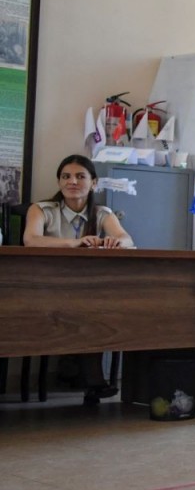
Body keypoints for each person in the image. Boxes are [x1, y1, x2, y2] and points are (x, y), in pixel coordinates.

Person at [24, 154, 135, 403]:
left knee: (98, 307)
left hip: (86, 288)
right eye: (66, 176)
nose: (72, 181)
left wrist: (113, 242)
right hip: (45, 286)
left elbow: (128, 240)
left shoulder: (102, 212)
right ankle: (91, 379)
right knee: (85, 309)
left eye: (80, 176)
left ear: (94, 183)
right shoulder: (41, 209)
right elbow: (31, 240)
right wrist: (75, 242)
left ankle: (88, 378)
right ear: (59, 182)